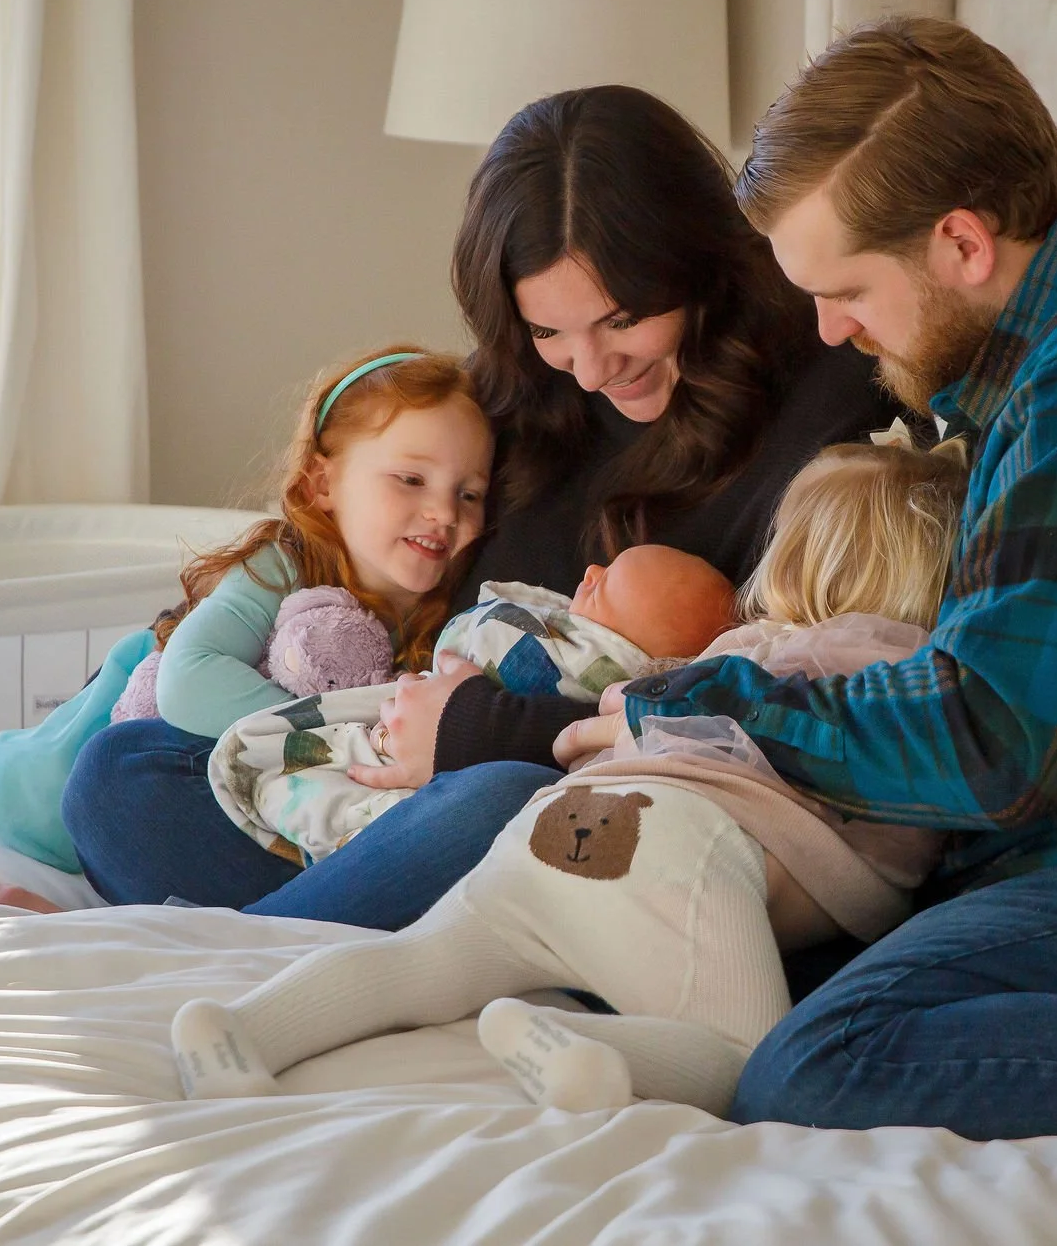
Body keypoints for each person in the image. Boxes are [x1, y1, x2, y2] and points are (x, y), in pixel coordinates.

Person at [555, 15, 1057, 1144]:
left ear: (961, 243)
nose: (829, 328)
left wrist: (696, 702)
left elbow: (995, 746)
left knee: (816, 1067)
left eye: (845, 288)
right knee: (666, 984)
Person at [48, 85, 904, 928]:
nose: (592, 365)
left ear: (700, 259)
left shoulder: (826, 407)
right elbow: (346, 548)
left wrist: (490, 731)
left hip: (565, 803)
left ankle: (282, 950)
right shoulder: (515, 398)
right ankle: (341, 931)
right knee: (119, 774)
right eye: (549, 330)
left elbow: (779, 718)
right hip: (384, 795)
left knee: (495, 801)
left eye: (623, 319)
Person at [167, 435, 969, 1120]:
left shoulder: (731, 655)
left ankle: (242, 1027)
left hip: (562, 819)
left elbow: (616, 714)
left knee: (421, 963)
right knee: (749, 1059)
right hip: (679, 845)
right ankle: (585, 1051)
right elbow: (909, 828)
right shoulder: (900, 663)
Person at [0, 344, 495, 911]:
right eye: (410, 479)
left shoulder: (452, 614)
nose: (445, 513)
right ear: (321, 486)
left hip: (239, 791)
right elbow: (190, 680)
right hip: (132, 703)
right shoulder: (285, 564)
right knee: (28, 782)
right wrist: (338, 743)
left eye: (468, 493)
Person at [210, 543, 737, 864]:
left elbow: (499, 653)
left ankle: (286, 906)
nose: (590, 571)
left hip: (446, 799)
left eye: (604, 589)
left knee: (484, 798)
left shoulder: (603, 675)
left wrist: (463, 716)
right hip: (399, 729)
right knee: (133, 758)